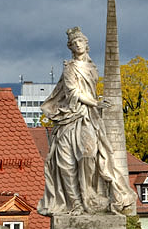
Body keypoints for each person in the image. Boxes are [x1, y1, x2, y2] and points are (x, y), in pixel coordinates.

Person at [38, 27, 128, 215]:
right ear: (71, 47)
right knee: (66, 164)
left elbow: (90, 90)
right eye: (74, 42)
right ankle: (76, 203)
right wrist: (95, 102)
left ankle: (90, 195)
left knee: (89, 156)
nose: (78, 44)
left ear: (86, 44)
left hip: (89, 119)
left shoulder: (92, 68)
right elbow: (73, 93)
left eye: (81, 41)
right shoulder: (70, 68)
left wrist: (97, 103)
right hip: (70, 118)